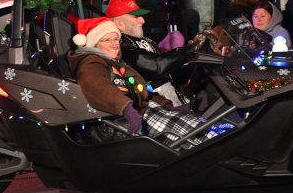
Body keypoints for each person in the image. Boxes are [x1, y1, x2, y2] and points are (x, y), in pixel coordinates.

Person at [66, 17, 205, 147]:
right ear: (94, 44)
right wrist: (127, 109)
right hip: (120, 121)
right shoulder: (91, 62)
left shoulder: (116, 63)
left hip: (142, 111)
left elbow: (140, 90)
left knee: (199, 126)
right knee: (194, 136)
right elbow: (98, 88)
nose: (114, 44)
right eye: (108, 40)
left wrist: (167, 106)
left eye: (116, 39)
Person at [107, 0, 189, 106]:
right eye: (135, 17)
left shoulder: (145, 40)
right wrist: (188, 52)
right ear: (119, 23)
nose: (142, 20)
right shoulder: (119, 46)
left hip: (172, 96)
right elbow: (156, 66)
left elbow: (166, 67)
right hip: (153, 102)